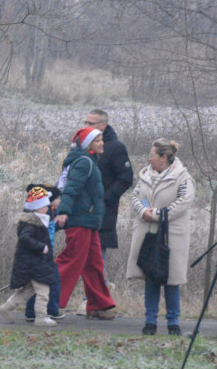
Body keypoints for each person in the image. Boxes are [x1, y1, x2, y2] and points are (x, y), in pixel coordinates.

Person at [125, 139, 195, 336]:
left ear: (164, 158)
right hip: (147, 233)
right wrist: (142, 211)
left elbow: (183, 202)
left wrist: (156, 215)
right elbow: (135, 197)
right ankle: (150, 322)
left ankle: (173, 322)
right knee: (151, 277)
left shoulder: (183, 178)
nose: (149, 158)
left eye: (152, 155)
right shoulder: (145, 175)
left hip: (172, 235)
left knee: (171, 280)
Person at [55, 128, 117, 319]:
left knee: (94, 264)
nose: (102, 143)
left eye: (101, 139)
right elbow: (71, 189)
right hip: (79, 221)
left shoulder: (89, 161)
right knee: (71, 261)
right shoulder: (83, 162)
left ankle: (98, 305)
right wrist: (63, 211)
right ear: (89, 144)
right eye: (97, 140)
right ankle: (49, 300)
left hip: (89, 222)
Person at [0, 186, 60, 327]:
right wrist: (41, 247)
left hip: (35, 263)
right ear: (36, 207)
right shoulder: (32, 223)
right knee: (43, 292)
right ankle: (41, 318)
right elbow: (24, 239)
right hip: (34, 264)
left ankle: (6, 307)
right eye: (44, 205)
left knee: (27, 291)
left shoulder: (39, 221)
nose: (47, 207)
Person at [84, 109, 134, 273]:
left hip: (104, 212)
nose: (86, 126)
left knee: (97, 259)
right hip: (82, 210)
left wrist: (103, 199)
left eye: (90, 123)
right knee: (83, 258)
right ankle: (95, 293)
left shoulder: (116, 148)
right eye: (85, 122)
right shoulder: (83, 145)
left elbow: (126, 179)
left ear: (103, 126)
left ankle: (95, 296)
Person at [24, 184, 64, 322]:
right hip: (42, 254)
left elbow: (52, 229)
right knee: (52, 281)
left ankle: (31, 312)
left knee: (38, 284)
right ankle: (51, 310)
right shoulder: (42, 214)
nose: (59, 200)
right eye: (57, 198)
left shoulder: (50, 212)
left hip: (45, 253)